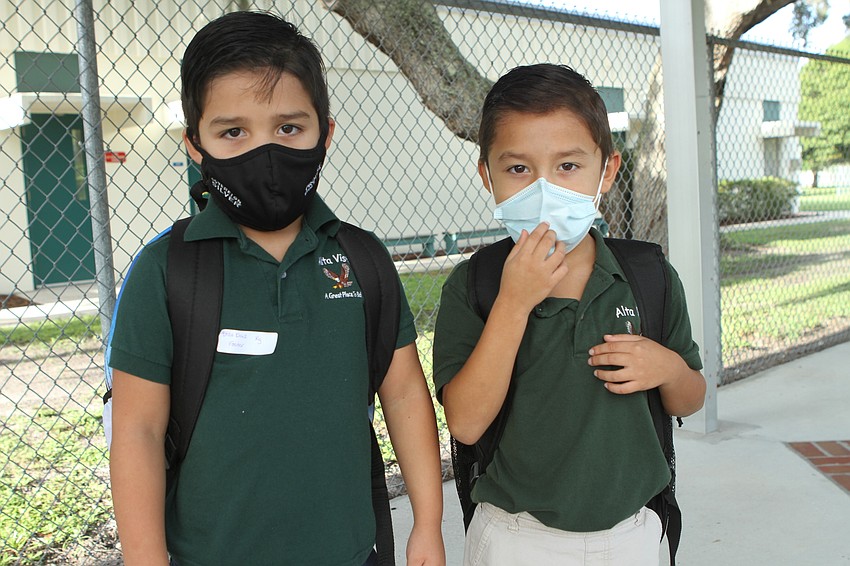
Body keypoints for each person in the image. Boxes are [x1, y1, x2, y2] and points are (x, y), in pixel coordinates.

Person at [108, 12, 445, 566]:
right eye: (233, 132)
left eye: (288, 128)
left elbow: (405, 393)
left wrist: (427, 525)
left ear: (325, 133)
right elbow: (138, 430)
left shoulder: (363, 259)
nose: (264, 153)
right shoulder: (166, 271)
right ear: (195, 144)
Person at [433, 63, 706, 566]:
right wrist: (513, 303)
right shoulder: (475, 287)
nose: (545, 190)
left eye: (568, 166)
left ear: (607, 170)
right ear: (486, 175)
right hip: (515, 537)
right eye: (518, 169)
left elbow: (691, 396)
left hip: (632, 534)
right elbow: (466, 424)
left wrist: (667, 368)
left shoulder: (649, 278)